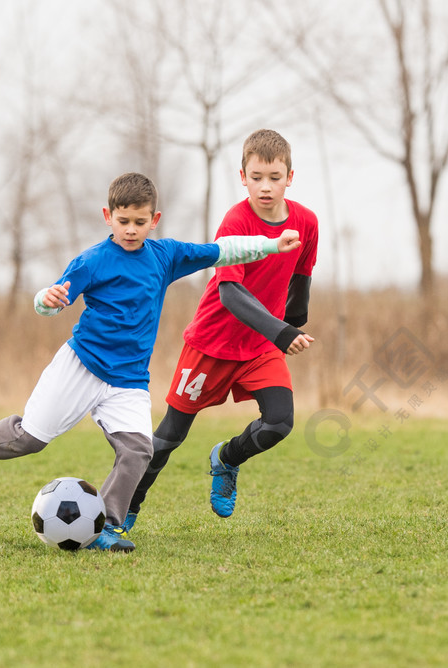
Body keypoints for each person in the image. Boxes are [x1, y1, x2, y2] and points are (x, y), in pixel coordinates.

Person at [0, 172, 300, 552]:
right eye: (123, 222)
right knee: (30, 439)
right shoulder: (93, 261)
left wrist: (272, 245)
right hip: (81, 366)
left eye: (140, 223)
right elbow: (51, 301)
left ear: (154, 220)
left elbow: (222, 250)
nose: (131, 230)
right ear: (108, 216)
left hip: (129, 380)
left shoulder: (166, 255)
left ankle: (106, 526)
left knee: (139, 450)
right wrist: (46, 300)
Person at [124, 129, 319, 530]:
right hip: (211, 344)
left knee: (280, 423)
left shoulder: (306, 222)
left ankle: (227, 458)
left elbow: (301, 277)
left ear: (290, 177)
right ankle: (124, 511)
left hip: (261, 347)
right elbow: (231, 293)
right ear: (242, 176)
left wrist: (294, 322)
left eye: (275, 177)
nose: (266, 186)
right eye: (257, 177)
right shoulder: (236, 220)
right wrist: (282, 331)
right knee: (168, 439)